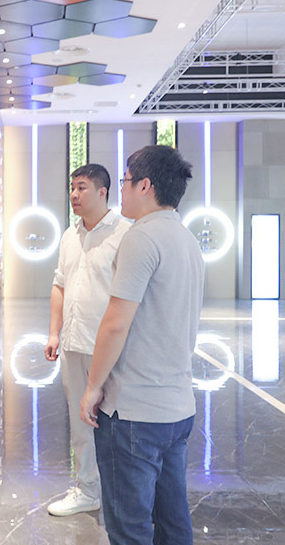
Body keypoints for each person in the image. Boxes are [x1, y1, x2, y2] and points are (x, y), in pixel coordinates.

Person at [79, 145, 204, 545]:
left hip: (134, 412)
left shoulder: (141, 238)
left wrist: (93, 386)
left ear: (145, 186)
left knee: (129, 527)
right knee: (173, 521)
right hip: (177, 409)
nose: (122, 189)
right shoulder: (187, 240)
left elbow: (116, 323)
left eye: (126, 181)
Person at [44, 164, 131, 517]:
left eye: (82, 187)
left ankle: (126, 492)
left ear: (103, 192)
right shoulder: (70, 235)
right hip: (73, 343)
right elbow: (59, 285)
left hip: (112, 347)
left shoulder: (125, 234)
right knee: (80, 422)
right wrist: (54, 332)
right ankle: (87, 489)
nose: (74, 195)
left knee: (120, 422)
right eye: (72, 188)